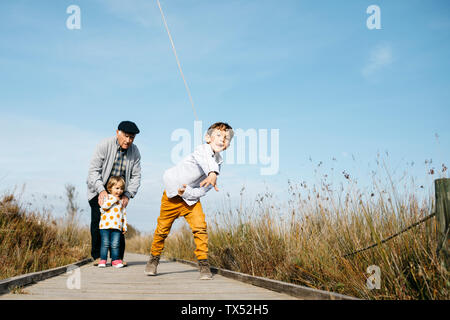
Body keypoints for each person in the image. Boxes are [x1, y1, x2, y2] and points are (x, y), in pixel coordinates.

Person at [145, 122, 233, 280]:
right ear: (208, 137)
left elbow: (203, 190)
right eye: (219, 135)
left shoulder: (218, 163)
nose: (222, 140)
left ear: (228, 145)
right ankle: (153, 259)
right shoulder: (201, 150)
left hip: (190, 200)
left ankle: (203, 264)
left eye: (226, 138)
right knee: (162, 230)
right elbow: (206, 161)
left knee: (200, 228)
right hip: (172, 196)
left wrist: (187, 191)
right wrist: (212, 173)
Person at [87, 121, 141, 266]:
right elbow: (93, 171)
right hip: (100, 187)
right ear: (118, 133)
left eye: (132, 138)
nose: (128, 140)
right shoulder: (104, 145)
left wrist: (127, 194)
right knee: (98, 222)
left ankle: (117, 258)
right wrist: (101, 190)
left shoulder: (134, 152)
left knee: (117, 222)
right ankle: (98, 256)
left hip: (120, 190)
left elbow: (136, 176)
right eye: (126, 136)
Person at [98, 176, 128, 268]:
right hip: (105, 226)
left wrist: (124, 226)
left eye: (121, 189)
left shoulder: (121, 201)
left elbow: (123, 214)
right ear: (110, 188)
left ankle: (115, 260)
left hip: (117, 226)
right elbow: (103, 208)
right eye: (117, 188)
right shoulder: (107, 198)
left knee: (115, 244)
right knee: (105, 243)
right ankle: (102, 260)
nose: (119, 191)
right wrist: (114, 199)